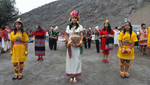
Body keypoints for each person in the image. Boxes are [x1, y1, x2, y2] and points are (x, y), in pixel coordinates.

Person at [65, 10, 83, 84]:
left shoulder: (80, 27)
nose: (74, 19)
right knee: (70, 60)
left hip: (77, 46)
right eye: (73, 18)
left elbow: (81, 35)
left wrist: (80, 42)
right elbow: (66, 36)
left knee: (77, 60)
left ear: (77, 18)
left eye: (75, 17)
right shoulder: (68, 27)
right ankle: (71, 76)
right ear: (71, 19)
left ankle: (75, 76)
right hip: (70, 46)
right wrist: (69, 42)